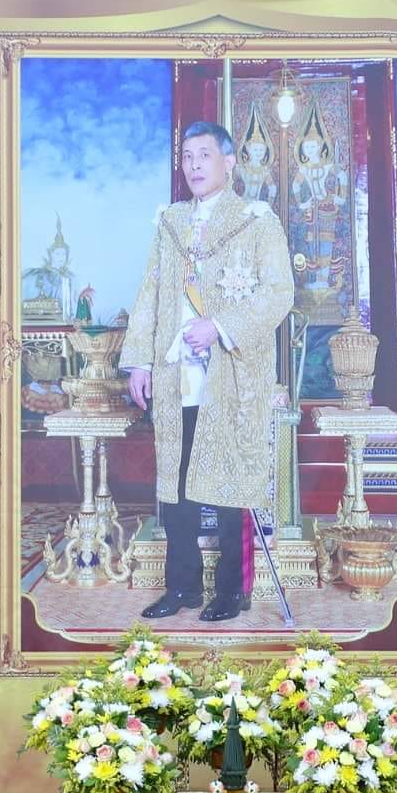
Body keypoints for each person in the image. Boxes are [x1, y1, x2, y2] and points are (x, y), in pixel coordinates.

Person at [118, 120, 294, 623]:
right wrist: (139, 361)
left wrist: (218, 327)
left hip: (230, 378)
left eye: (204, 155)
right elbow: (150, 294)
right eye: (187, 156)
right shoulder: (170, 222)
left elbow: (279, 293)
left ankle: (233, 592)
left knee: (230, 485)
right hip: (176, 376)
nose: (194, 165)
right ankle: (183, 587)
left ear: (229, 162)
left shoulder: (256, 221)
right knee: (176, 488)